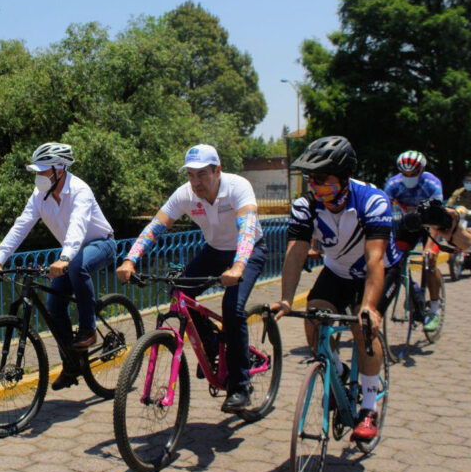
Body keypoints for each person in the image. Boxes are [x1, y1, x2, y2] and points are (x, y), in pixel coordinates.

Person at [116, 144, 266, 413]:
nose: (195, 182)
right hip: (215, 251)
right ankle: (212, 348)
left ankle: (240, 386)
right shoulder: (185, 194)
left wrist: (238, 266)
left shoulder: (237, 187)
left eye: (202, 174)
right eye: (190, 175)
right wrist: (130, 259)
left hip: (249, 251)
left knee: (232, 308)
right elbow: (155, 227)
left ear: (218, 171)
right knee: (181, 293)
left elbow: (246, 229)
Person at [274, 136, 402, 442]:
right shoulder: (306, 206)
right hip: (337, 271)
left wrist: (368, 307)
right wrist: (286, 299)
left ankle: (368, 408)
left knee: (363, 327)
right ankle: (339, 372)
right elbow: (296, 252)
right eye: (311, 179)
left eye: (321, 179)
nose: (314, 186)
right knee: (314, 319)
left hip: (377, 271)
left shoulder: (372, 201)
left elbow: (374, 259)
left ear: (344, 178)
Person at [0, 142, 116, 391]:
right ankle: (71, 365)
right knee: (54, 306)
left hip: (101, 244)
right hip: (71, 252)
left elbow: (77, 225)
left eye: (43, 171)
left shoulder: (80, 190)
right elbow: (21, 226)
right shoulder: (39, 196)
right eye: (38, 171)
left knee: (76, 267)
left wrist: (65, 258)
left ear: (59, 170)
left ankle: (88, 329)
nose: (39, 176)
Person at [384, 151, 444, 331]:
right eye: (405, 173)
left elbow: (436, 217)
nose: (409, 176)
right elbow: (383, 211)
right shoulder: (393, 184)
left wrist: (429, 248)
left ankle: (435, 309)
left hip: (430, 223)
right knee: (396, 260)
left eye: (413, 173)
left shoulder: (432, 184)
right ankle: (413, 291)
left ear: (421, 170)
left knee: (429, 262)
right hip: (408, 225)